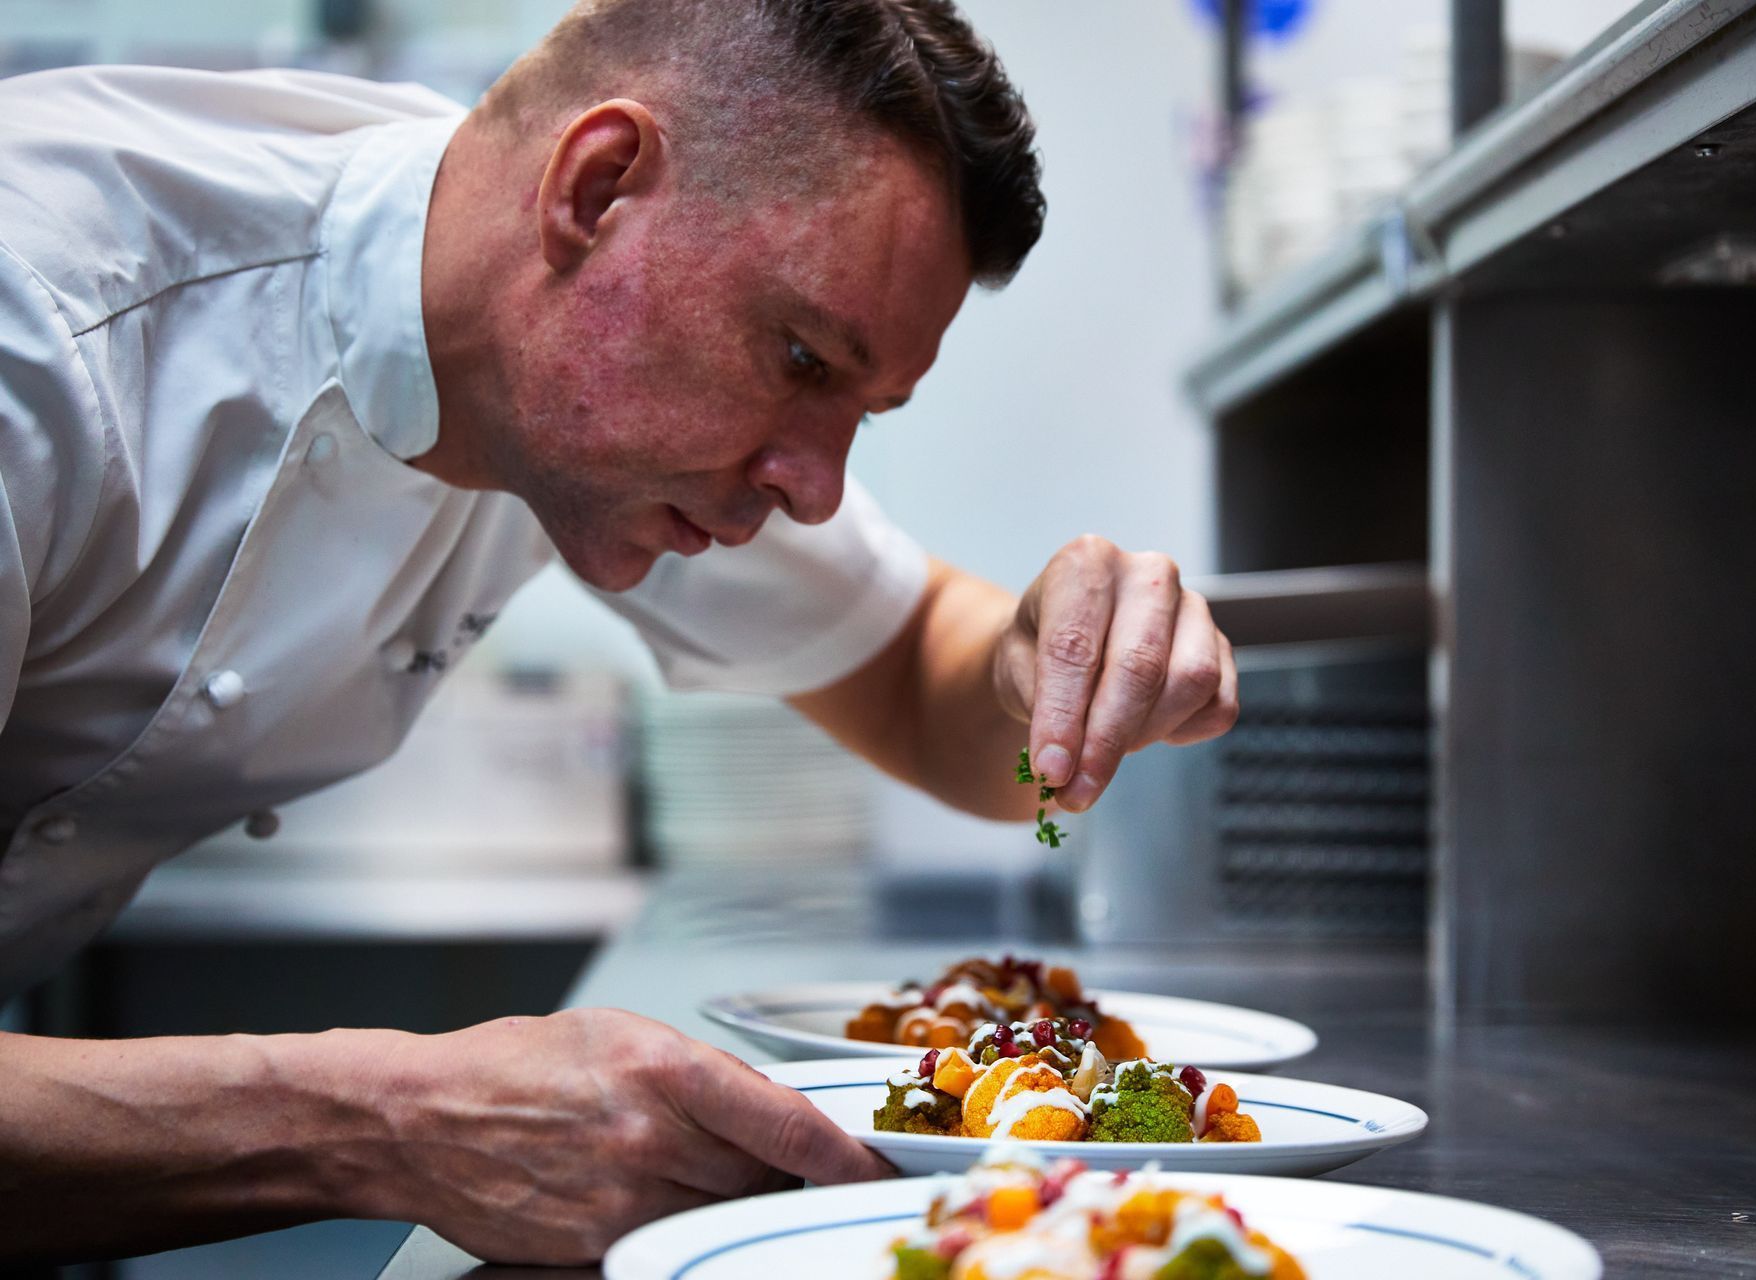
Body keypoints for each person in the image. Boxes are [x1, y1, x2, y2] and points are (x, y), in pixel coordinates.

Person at [0, 0, 1238, 1266]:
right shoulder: (36, 323)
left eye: (865, 410)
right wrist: (387, 1121)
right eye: (804, 357)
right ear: (596, 190)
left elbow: (927, 679)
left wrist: (1046, 655)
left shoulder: (564, 378)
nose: (814, 486)